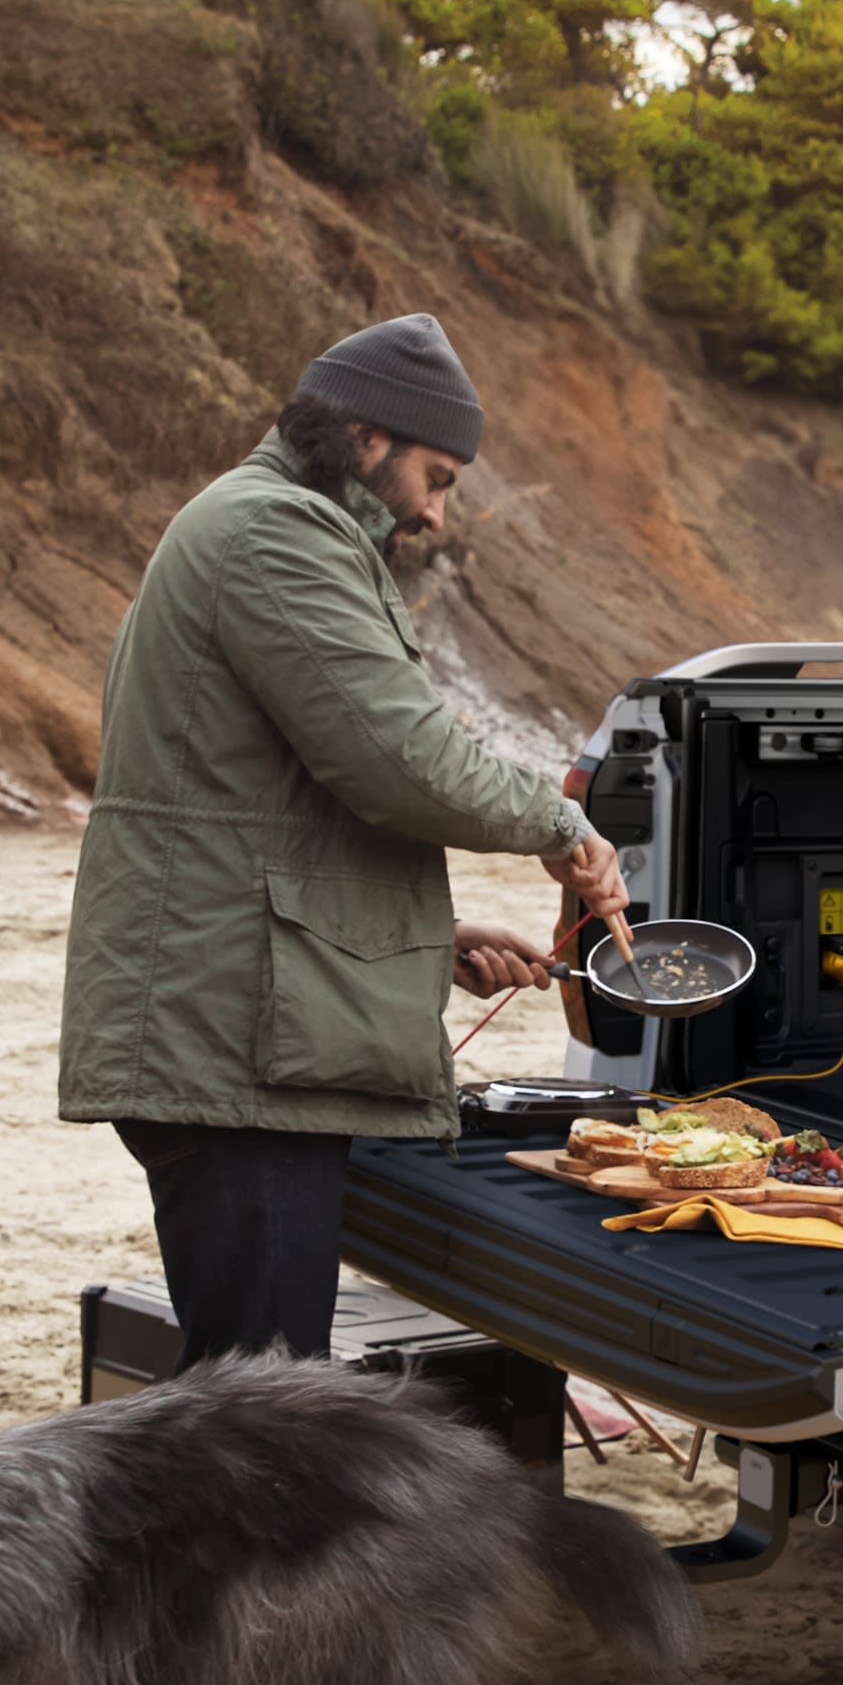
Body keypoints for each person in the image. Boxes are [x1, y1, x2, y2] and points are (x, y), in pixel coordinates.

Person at [60, 312, 630, 1364]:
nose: (434, 510)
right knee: (265, 1414)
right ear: (366, 439)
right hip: (238, 1057)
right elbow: (393, 756)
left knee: (257, 1398)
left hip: (244, 1028)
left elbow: (267, 806)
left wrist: (424, 938)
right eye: (437, 474)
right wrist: (560, 824)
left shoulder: (263, 523)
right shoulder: (275, 531)